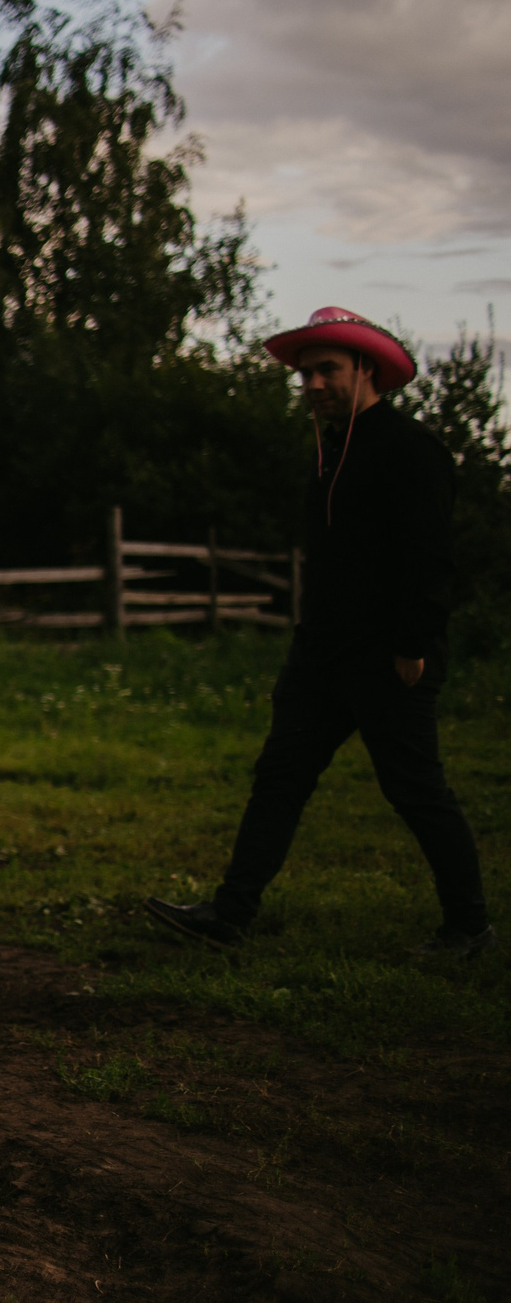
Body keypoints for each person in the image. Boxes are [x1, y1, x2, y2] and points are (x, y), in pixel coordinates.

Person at [147, 306, 492, 959]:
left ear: (366, 368)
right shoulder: (329, 452)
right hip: (321, 656)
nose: (309, 384)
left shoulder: (411, 451)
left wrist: (413, 646)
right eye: (303, 374)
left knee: (416, 790)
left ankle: (470, 927)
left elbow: (430, 558)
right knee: (279, 777)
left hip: (391, 658)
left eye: (325, 370)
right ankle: (230, 913)